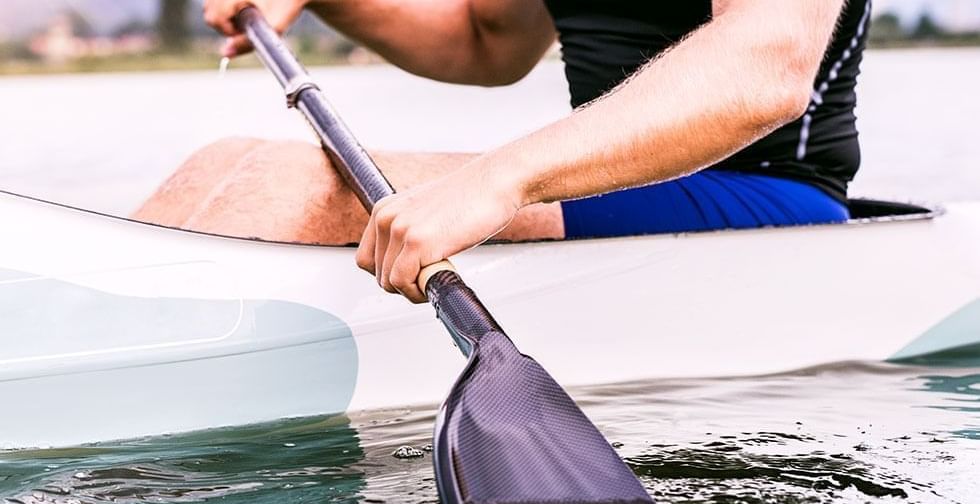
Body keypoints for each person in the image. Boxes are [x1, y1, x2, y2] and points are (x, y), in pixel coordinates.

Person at [135, 0, 869, 303]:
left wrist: (501, 179)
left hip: (773, 200)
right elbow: (488, 41)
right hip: (614, 191)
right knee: (222, 163)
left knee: (285, 185)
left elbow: (766, 67)